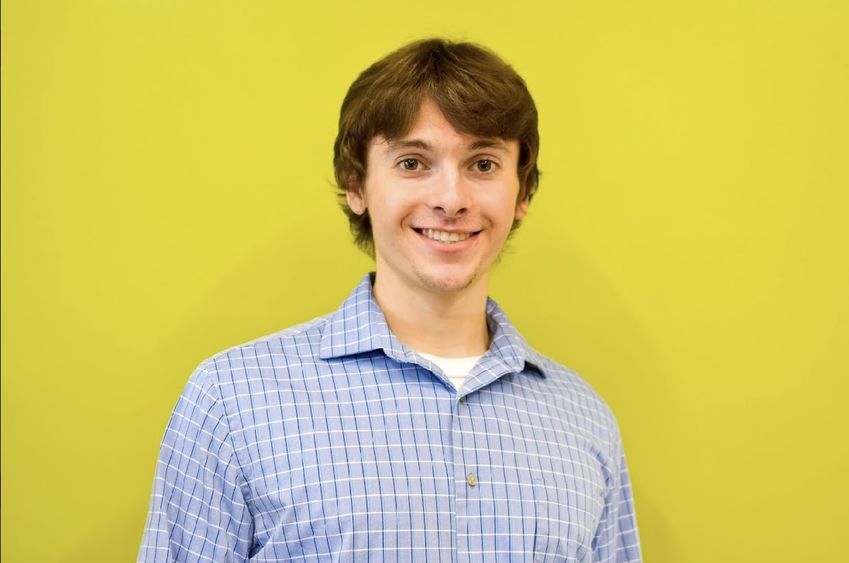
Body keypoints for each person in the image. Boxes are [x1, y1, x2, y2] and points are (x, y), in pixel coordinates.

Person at [138, 38, 642, 562]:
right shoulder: (231, 401)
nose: (451, 199)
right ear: (356, 185)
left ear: (522, 193)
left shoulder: (584, 418)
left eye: (484, 164)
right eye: (412, 163)